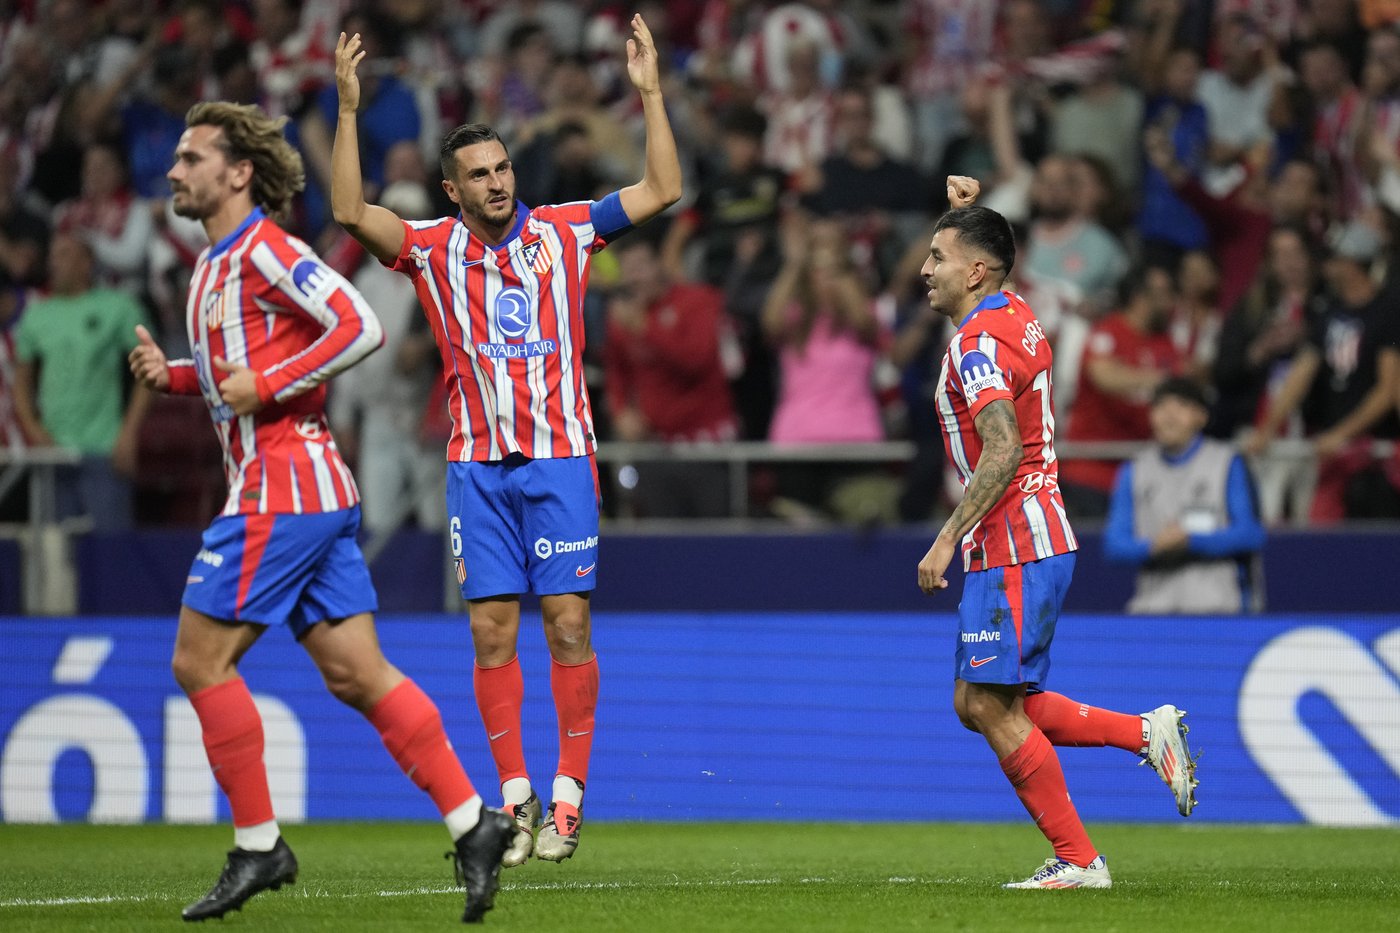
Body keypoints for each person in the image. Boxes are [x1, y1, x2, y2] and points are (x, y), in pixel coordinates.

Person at [126, 101, 512, 924]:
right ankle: (474, 821)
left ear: (237, 174)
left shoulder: (265, 249)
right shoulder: (214, 266)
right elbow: (246, 365)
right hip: (315, 494)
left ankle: (260, 844)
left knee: (199, 662)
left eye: (191, 157)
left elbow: (360, 323)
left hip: (281, 489)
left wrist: (262, 387)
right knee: (357, 674)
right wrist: (183, 377)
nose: (172, 170)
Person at [329, 14, 682, 867]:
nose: (496, 183)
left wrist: (650, 94)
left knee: (566, 622)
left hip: (559, 458)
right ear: (452, 189)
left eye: (502, 168)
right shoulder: (430, 250)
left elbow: (663, 189)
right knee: (492, 632)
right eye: (478, 175)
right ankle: (515, 798)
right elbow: (347, 208)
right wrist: (348, 111)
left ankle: (569, 797)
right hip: (475, 468)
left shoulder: (567, 230)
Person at [915, 177, 1198, 890]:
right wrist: (964, 212)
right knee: (974, 702)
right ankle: (1144, 732)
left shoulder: (975, 344)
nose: (925, 269)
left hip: (1012, 537)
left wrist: (948, 534)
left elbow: (1002, 447)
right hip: (1034, 532)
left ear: (974, 271)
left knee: (986, 703)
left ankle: (1079, 858)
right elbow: (996, 250)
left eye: (937, 255)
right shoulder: (1015, 309)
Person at [13, 232, 151, 531]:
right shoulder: (37, 314)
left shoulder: (119, 308)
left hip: (104, 450)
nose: (54, 263)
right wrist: (34, 431)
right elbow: (20, 384)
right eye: (52, 256)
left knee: (110, 554)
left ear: (86, 263)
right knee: (54, 557)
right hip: (52, 456)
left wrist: (128, 433)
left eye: (64, 255)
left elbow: (149, 373)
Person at [1105, 378, 1266, 614]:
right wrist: (1154, 546)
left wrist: (1190, 540)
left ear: (1201, 416)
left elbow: (1251, 534)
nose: (1169, 415)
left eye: (1181, 405)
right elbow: (1115, 544)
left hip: (1218, 609)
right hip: (1153, 610)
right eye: (1161, 406)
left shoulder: (1227, 462)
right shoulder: (1134, 470)